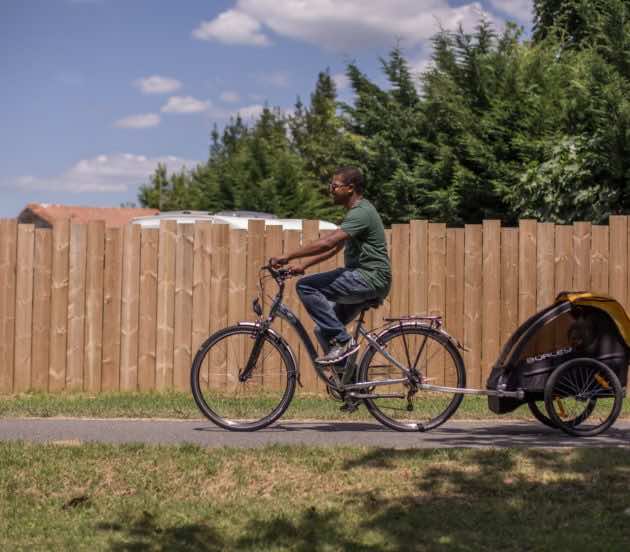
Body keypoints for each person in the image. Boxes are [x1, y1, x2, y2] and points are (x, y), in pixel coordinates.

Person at [270, 167, 391, 364]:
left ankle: (344, 342)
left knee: (305, 286)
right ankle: (350, 387)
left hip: (368, 278)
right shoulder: (356, 213)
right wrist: (304, 264)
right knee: (324, 329)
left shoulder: (361, 213)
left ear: (350, 188)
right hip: (367, 279)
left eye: (334, 186)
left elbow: (328, 242)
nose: (330, 190)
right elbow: (336, 248)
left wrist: (288, 255)